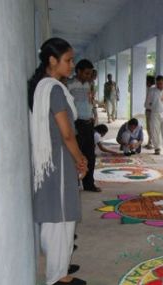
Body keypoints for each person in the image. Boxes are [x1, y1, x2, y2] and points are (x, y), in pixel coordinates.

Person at [28, 37, 87, 285]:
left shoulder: (42, 86)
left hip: (50, 160)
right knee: (60, 217)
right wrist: (80, 159)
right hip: (59, 159)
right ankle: (56, 274)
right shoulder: (53, 89)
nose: (71, 65)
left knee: (57, 215)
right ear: (53, 60)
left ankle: (60, 262)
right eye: (68, 60)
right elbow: (66, 133)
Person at [68, 59, 100, 192]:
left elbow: (90, 102)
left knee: (90, 155)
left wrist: (93, 117)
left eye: (90, 73)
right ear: (78, 71)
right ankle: (73, 184)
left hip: (88, 123)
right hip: (76, 124)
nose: (88, 76)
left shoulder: (89, 85)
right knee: (75, 155)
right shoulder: (69, 85)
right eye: (86, 73)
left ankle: (89, 184)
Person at [144, 75, 156, 150]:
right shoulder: (150, 89)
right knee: (149, 127)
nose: (145, 83)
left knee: (151, 127)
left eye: (146, 81)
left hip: (151, 111)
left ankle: (151, 143)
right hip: (149, 110)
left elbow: (152, 102)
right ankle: (150, 142)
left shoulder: (152, 89)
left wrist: (150, 107)